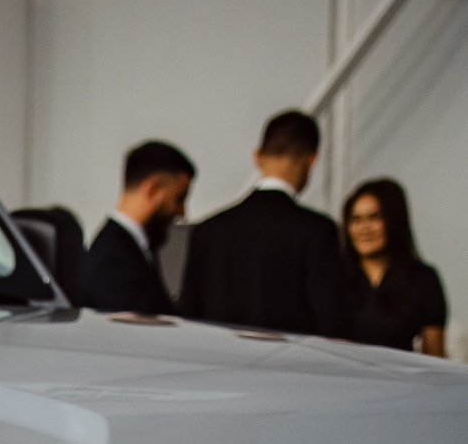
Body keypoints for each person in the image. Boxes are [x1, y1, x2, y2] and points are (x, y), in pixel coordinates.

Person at [178, 108, 348, 338]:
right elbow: (332, 324)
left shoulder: (208, 231)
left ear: (257, 156)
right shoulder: (318, 231)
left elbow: (188, 319)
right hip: (290, 361)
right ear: (312, 159)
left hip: (218, 359)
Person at [82, 139, 196, 315]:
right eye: (179, 198)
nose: (182, 212)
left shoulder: (132, 248)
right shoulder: (113, 261)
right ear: (153, 189)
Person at [340, 178, 449, 356]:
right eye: (355, 219)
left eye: (374, 217)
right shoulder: (332, 275)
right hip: (340, 373)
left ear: (394, 221)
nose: (363, 228)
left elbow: (435, 358)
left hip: (399, 374)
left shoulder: (423, 279)